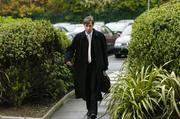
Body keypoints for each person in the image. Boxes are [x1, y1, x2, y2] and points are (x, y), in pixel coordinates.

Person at [64, 16, 108, 119]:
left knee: (94, 88)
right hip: (83, 68)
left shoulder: (99, 36)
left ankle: (93, 112)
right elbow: (70, 49)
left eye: (90, 25)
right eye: (86, 25)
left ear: (93, 25)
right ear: (83, 26)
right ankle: (89, 110)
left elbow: (104, 52)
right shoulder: (79, 37)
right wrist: (67, 59)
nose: (88, 28)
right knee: (86, 89)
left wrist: (105, 66)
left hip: (96, 67)